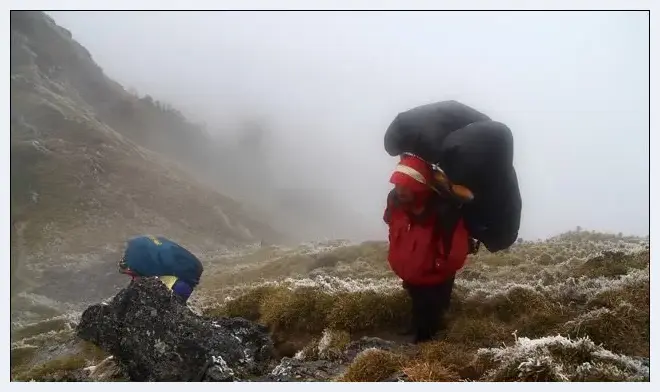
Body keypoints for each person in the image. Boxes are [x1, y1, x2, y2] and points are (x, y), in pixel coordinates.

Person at [383, 154, 475, 343]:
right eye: (398, 185)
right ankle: (416, 329)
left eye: (406, 186)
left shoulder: (443, 209)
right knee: (417, 302)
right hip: (413, 271)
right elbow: (391, 224)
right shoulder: (396, 201)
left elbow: (455, 249)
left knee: (433, 310)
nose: (400, 191)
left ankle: (429, 347)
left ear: (419, 186)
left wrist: (438, 267)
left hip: (436, 275)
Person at [118, 235, 203, 304]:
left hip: (186, 272)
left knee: (174, 299)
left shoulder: (140, 263)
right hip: (181, 259)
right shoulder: (136, 247)